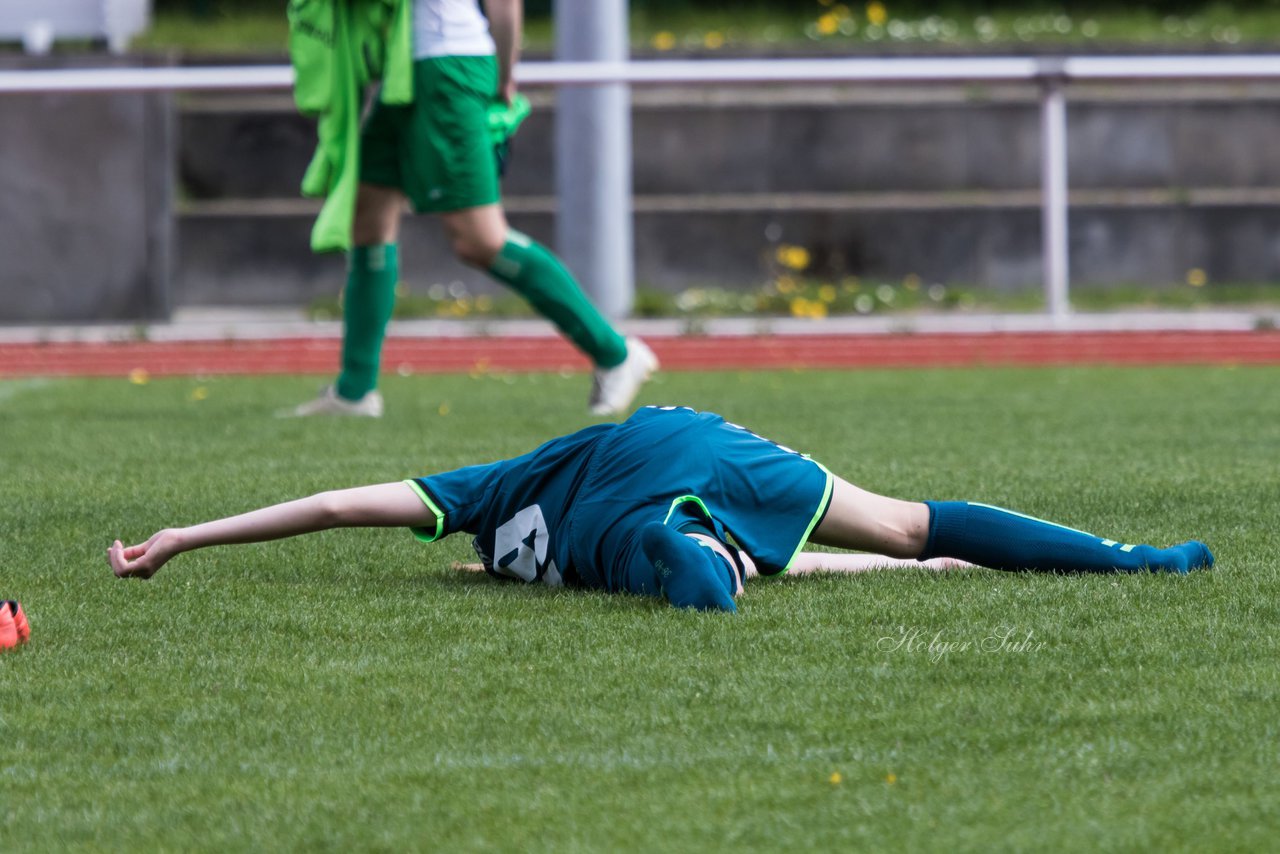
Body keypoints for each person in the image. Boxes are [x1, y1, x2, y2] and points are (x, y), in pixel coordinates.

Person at [109, 406, 1214, 612]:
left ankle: (701, 555)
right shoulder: (492, 484)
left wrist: (181, 542)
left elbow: (334, 499)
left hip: (639, 504)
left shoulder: (488, 508)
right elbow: (341, 499)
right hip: (676, 434)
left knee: (665, 557)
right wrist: (182, 538)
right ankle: (1138, 562)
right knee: (907, 524)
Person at [289, 0, 656, 419]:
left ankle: (615, 353)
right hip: (404, 72)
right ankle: (355, 391)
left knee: (479, 239)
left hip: (450, 65)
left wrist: (504, 74)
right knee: (368, 218)